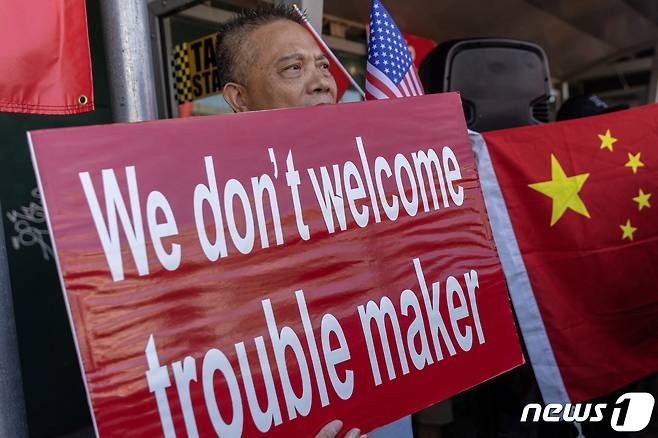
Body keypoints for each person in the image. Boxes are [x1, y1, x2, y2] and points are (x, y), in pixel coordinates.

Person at [214, 6, 365, 438]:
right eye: (293, 68)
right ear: (239, 99)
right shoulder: (217, 209)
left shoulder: (372, 179)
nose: (321, 82)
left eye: (321, 65)